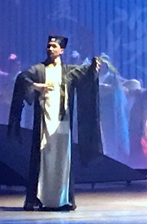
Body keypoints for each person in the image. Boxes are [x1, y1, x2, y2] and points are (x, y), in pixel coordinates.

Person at [7, 35, 102, 211]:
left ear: (61, 50)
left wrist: (93, 68)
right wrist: (36, 86)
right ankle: (39, 198)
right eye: (49, 46)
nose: (50, 49)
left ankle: (62, 199)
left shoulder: (68, 71)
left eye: (54, 46)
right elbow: (22, 77)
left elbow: (86, 75)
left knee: (62, 159)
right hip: (45, 120)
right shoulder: (39, 69)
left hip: (62, 122)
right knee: (44, 158)